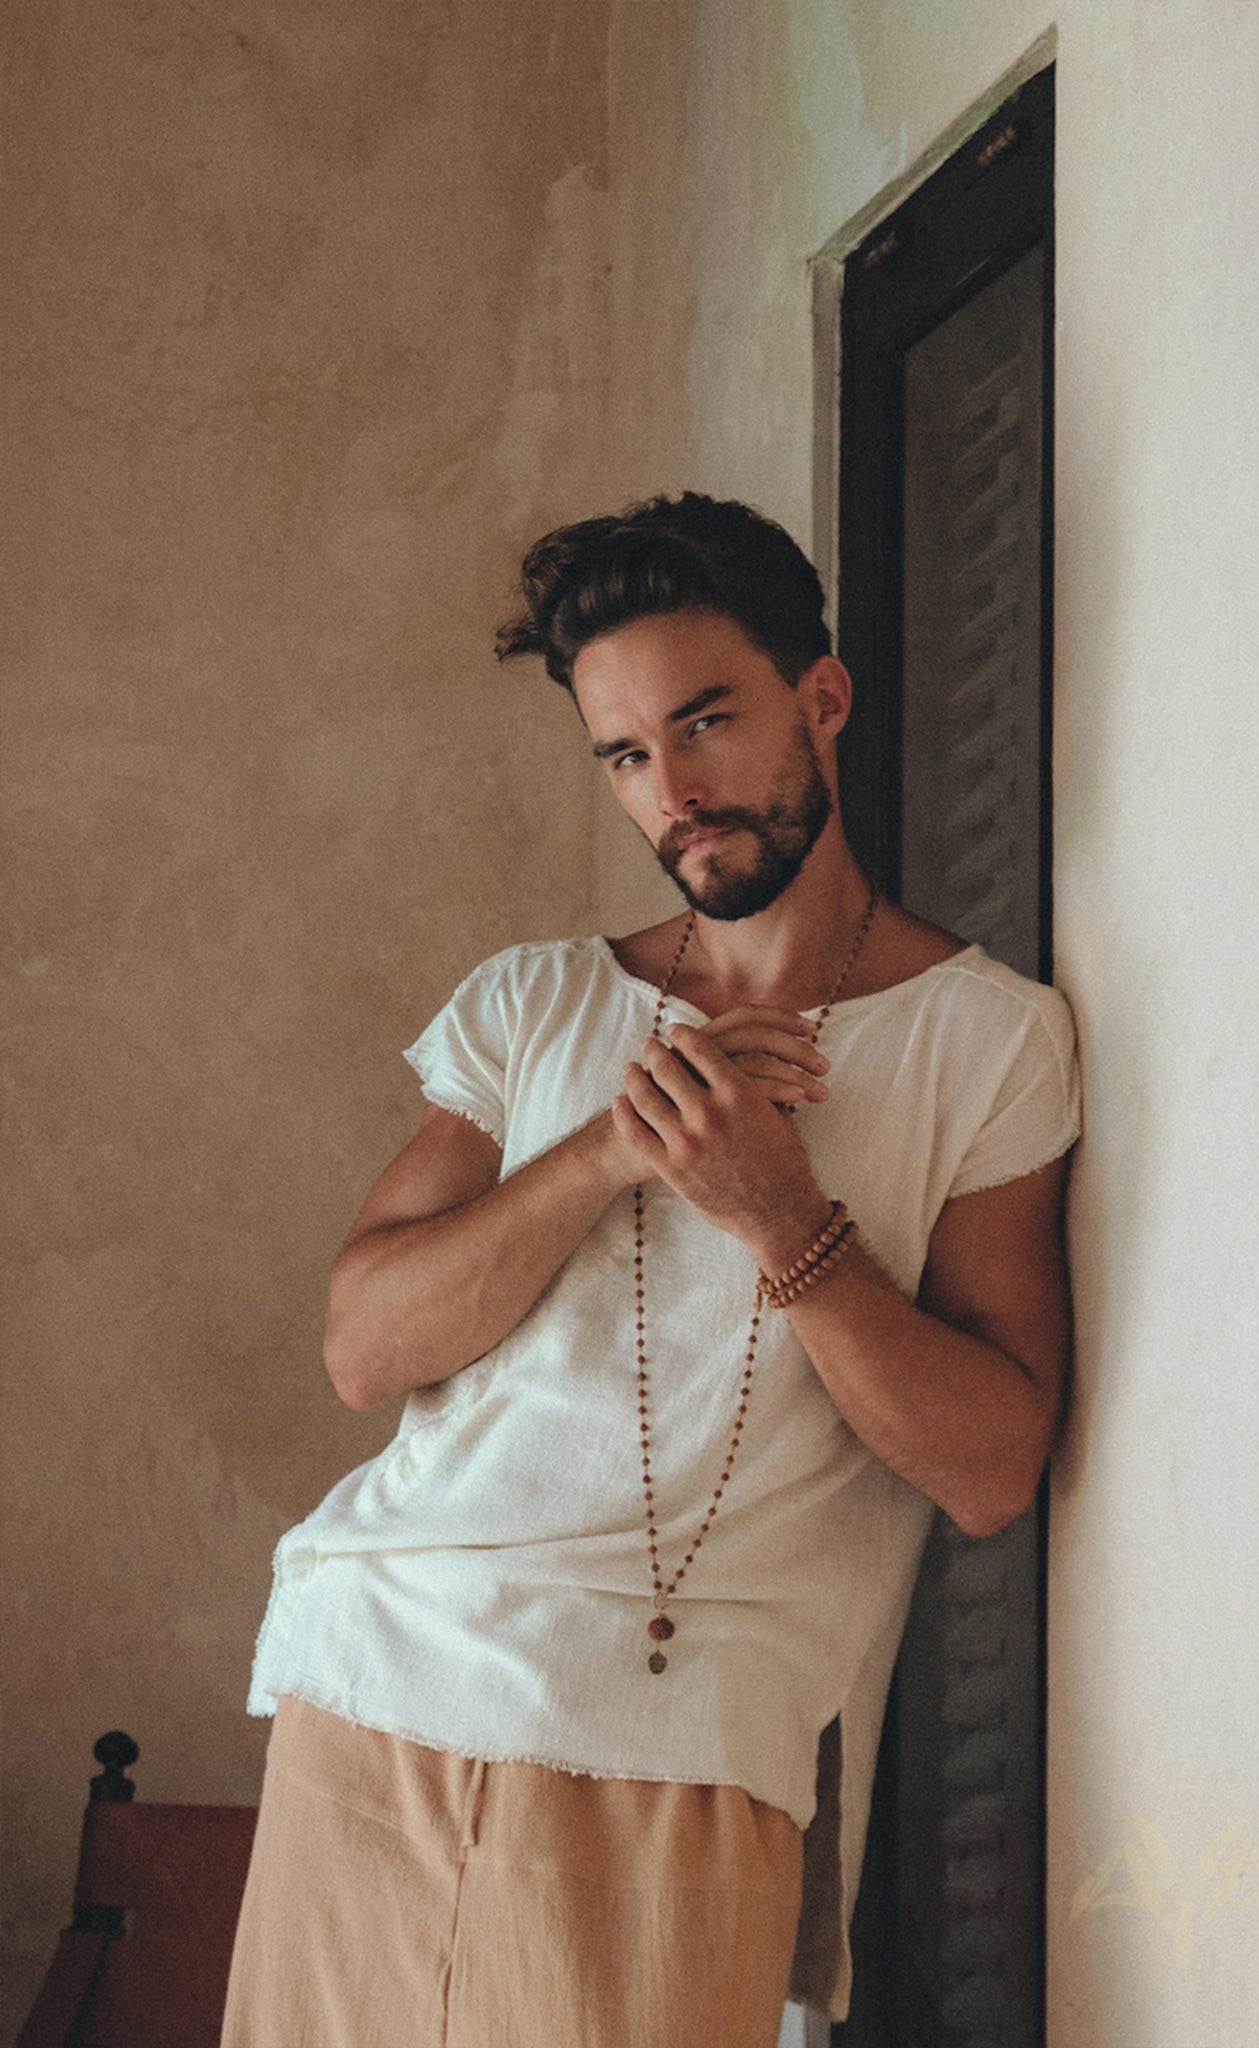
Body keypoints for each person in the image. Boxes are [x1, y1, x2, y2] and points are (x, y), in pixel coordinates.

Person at [223, 492, 1080, 2048]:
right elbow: (362, 1348)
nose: (674, 792)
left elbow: (989, 1468)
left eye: (706, 724)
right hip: (378, 1687)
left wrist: (773, 1213)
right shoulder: (534, 1004)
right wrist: (607, 1152)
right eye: (624, 754)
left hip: (673, 1748)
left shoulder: (987, 1041)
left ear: (818, 700)